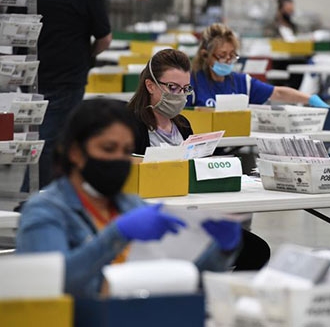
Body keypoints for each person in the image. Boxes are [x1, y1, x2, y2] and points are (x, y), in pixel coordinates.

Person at [15, 99, 242, 298]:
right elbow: (52, 285)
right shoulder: (46, 211)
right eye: (108, 148)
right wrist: (117, 235)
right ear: (75, 152)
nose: (118, 159)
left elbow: (179, 280)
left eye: (126, 151)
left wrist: (220, 251)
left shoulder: (131, 205)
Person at [128, 48, 270, 271]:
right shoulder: (129, 124)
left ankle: (218, 296)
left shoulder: (182, 124)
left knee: (256, 250)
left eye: (185, 89)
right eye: (172, 88)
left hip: (192, 213)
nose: (179, 95)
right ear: (150, 85)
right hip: (156, 218)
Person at [21, 0, 112, 192]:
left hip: (29, 73)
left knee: (40, 139)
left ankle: (39, 195)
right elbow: (104, 38)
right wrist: (87, 56)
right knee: (51, 142)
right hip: (68, 76)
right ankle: (34, 198)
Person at [188, 23, 329, 108]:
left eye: (232, 55)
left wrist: (310, 99)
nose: (227, 60)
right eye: (221, 55)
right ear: (205, 55)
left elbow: (278, 93)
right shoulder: (192, 83)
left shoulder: (242, 83)